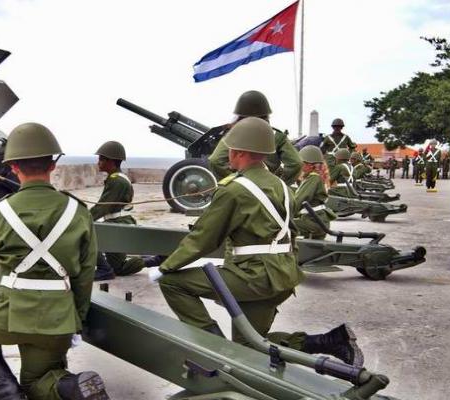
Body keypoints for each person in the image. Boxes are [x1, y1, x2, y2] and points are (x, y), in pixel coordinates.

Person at [153, 117, 363, 367]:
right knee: (251, 345)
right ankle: (328, 341)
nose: (228, 154)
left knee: (173, 283)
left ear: (239, 152)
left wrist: (165, 267)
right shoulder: (283, 186)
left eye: (230, 148)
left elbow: (203, 239)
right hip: (283, 274)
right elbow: (289, 230)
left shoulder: (233, 189)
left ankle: (215, 346)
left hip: (256, 275)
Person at [0, 122, 109, 400]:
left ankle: (4, 385)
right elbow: (85, 275)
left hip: (7, 316)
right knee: (39, 381)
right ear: (53, 165)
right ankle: (70, 388)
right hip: (58, 319)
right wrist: (77, 320)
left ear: (13, 167)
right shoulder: (78, 212)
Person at [208, 90, 303, 185]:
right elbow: (296, 163)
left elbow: (216, 161)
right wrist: (279, 184)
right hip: (269, 190)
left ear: (240, 114)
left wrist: (238, 183)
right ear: (266, 114)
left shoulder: (234, 133)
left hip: (241, 191)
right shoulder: (276, 135)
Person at [90, 141, 146, 279]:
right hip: (117, 222)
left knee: (87, 234)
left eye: (101, 159)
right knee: (119, 268)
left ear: (111, 161)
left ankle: (104, 270)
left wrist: (82, 219)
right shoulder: (116, 178)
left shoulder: (117, 181)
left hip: (118, 224)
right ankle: (151, 259)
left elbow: (102, 207)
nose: (98, 162)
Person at [293, 146, 337, 240]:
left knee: (280, 226)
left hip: (314, 222)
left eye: (301, 163)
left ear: (309, 164)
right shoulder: (316, 177)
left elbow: (298, 201)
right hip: (317, 221)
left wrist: (282, 213)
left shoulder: (313, 178)